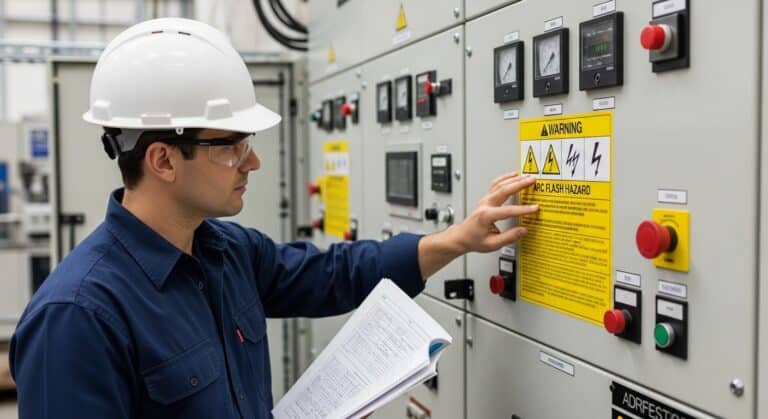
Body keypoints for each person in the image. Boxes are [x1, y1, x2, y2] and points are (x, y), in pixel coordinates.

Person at [9, 18, 538, 419]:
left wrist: (457, 240)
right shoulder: (78, 317)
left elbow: (333, 274)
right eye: (232, 147)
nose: (253, 162)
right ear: (163, 160)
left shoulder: (226, 251)